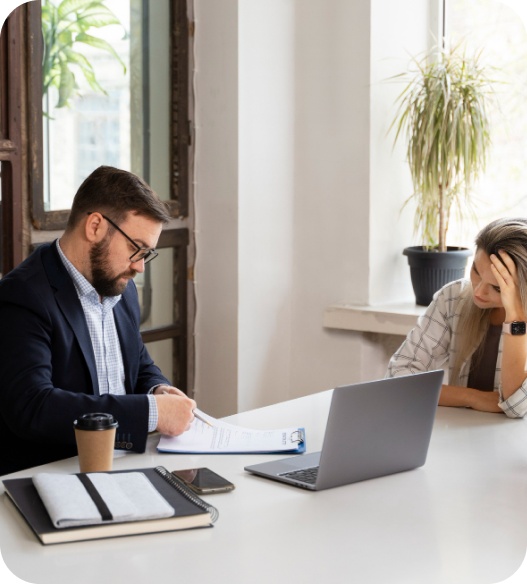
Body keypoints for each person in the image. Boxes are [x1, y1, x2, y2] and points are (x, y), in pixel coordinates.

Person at [0, 166, 197, 476]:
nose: (140, 267)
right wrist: (151, 413)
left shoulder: (120, 285)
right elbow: (33, 406)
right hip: (56, 476)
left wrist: (158, 390)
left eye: (147, 254)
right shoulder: (22, 295)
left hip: (128, 465)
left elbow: (138, 362)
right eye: (136, 248)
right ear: (95, 226)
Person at [387, 218, 527, 418]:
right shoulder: (453, 298)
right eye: (476, 271)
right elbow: (397, 378)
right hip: (459, 430)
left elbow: (516, 407)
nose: (478, 291)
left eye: (497, 287)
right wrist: (473, 398)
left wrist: (516, 317)